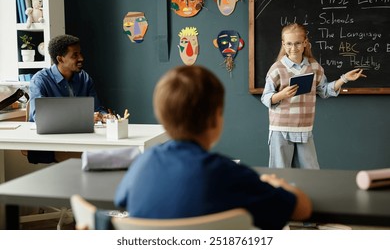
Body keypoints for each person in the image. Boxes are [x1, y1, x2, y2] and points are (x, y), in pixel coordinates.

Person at [115, 65, 312, 230]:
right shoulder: (229, 174)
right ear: (216, 118)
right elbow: (302, 209)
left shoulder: (143, 162)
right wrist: (277, 184)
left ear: (162, 118)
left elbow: (121, 199)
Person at [261, 23, 366, 169]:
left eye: (297, 43)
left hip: (304, 128)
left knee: (311, 172)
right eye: (289, 44)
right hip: (280, 129)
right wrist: (281, 95)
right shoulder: (277, 68)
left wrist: (344, 79)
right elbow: (266, 98)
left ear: (305, 43)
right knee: (281, 172)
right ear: (283, 44)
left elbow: (324, 90)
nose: (293, 48)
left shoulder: (314, 67)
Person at [27, 34, 106, 163]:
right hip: (49, 144)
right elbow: (40, 118)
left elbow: (96, 109)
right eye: (75, 55)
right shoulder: (40, 80)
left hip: (81, 140)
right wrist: (85, 118)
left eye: (80, 53)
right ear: (60, 59)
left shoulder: (84, 78)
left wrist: (105, 116)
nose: (81, 58)